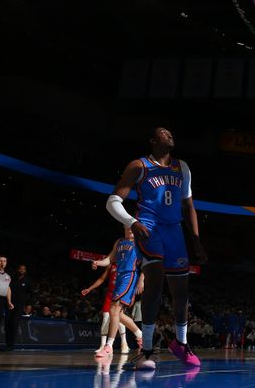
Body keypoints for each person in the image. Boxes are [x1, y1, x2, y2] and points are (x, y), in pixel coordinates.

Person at [105, 127, 205, 370]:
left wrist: (197, 241)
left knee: (181, 293)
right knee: (155, 282)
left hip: (175, 232)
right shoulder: (138, 166)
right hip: (149, 227)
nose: (170, 135)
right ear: (152, 141)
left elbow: (189, 207)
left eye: (171, 133)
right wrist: (132, 222)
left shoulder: (182, 167)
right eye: (163, 133)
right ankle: (146, 349)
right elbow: (112, 201)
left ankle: (181, 343)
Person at [93, 228, 145, 358]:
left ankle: (108, 346)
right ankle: (141, 336)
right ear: (124, 227)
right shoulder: (119, 241)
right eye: (128, 226)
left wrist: (142, 280)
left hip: (130, 275)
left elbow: (146, 262)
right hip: (119, 277)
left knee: (114, 309)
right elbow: (110, 259)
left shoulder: (140, 242)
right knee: (118, 313)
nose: (131, 229)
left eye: (133, 227)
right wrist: (98, 263)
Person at [81, 260, 125, 352]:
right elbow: (101, 279)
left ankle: (124, 344)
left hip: (120, 294)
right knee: (105, 318)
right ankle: (102, 346)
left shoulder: (127, 263)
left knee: (120, 319)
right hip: (109, 295)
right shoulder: (111, 265)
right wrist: (89, 289)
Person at [6, 263, 31, 351]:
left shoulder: (27, 281)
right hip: (9, 303)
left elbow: (30, 294)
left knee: (14, 323)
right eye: (20, 269)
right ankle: (7, 344)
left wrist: (28, 304)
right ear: (18, 270)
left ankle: (11, 345)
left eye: (23, 269)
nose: (21, 270)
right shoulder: (12, 279)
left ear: (25, 271)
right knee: (7, 323)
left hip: (19, 305)